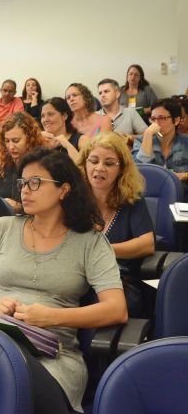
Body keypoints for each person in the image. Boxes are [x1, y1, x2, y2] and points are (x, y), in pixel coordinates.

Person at [0, 148, 127, 414]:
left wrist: (50, 317)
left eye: (35, 182)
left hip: (52, 356)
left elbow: (116, 309)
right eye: (22, 183)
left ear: (63, 190)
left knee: (5, 368)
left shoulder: (90, 242)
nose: (25, 190)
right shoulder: (1, 228)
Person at [78, 132, 154, 316]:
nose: (99, 168)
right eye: (93, 161)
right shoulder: (73, 199)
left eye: (109, 163)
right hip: (76, 275)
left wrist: (102, 250)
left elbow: (147, 244)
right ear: (84, 164)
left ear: (122, 169)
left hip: (118, 278)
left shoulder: (131, 199)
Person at [0, 112, 45, 212]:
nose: (10, 147)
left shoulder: (43, 163)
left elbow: (47, 203)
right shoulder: (1, 162)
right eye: (7, 141)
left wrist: (20, 208)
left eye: (16, 140)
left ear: (30, 139)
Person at [133, 99, 188, 181]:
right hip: (150, 191)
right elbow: (138, 172)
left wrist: (185, 175)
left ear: (176, 120)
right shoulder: (141, 141)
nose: (156, 123)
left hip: (180, 191)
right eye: (153, 119)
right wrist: (148, 134)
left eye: (161, 118)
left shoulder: (185, 142)